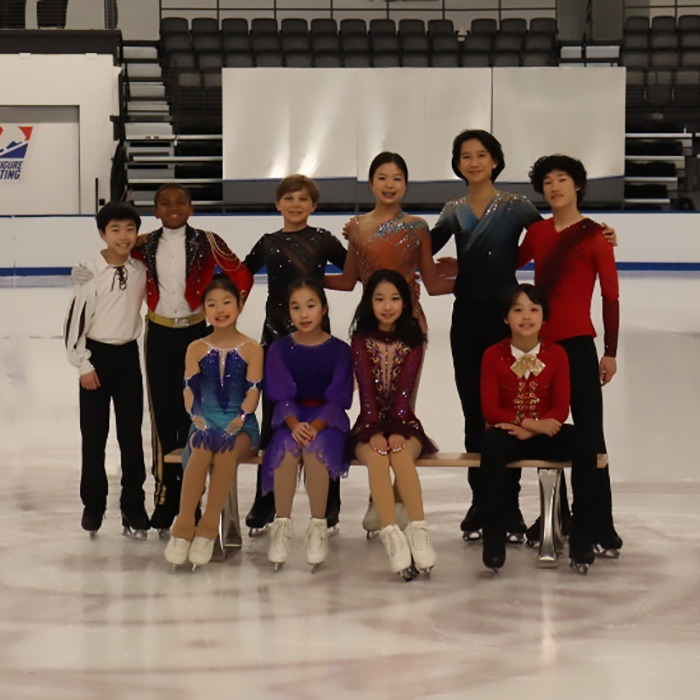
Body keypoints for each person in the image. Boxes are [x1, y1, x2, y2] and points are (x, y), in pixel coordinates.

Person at [430, 130, 615, 542]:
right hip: (466, 323)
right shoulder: (453, 209)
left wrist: (599, 234)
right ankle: (484, 503)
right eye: (465, 156)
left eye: (482, 155)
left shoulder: (517, 207)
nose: (474, 162)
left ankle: (511, 508)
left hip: (509, 324)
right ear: (457, 163)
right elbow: (422, 249)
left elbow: (556, 234)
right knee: (475, 415)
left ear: (495, 160)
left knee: (517, 410)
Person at [327, 152, 455, 535]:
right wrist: (306, 278)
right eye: (382, 177)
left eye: (397, 177)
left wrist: (483, 278)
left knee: (401, 413)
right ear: (371, 183)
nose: (389, 184)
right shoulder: (357, 228)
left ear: (406, 184)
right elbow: (349, 280)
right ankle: (376, 496)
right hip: (369, 327)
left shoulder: (417, 227)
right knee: (371, 409)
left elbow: (431, 283)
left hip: (410, 326)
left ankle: (397, 497)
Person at [134, 184, 254, 535]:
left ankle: (193, 491)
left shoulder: (209, 241)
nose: (173, 207)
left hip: (196, 334)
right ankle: (164, 495)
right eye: (165, 203)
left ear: (191, 207)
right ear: (155, 211)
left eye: (181, 201)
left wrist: (227, 317)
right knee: (162, 416)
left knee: (196, 412)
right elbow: (115, 258)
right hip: (158, 334)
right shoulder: (143, 244)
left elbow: (241, 277)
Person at [519, 154, 622, 556]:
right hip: (541, 349)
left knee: (591, 435)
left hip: (579, 345)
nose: (555, 187)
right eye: (547, 182)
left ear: (577, 186)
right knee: (550, 430)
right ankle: (554, 515)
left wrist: (610, 352)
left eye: (562, 179)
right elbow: (506, 262)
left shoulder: (596, 235)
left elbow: (611, 297)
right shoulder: (538, 233)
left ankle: (598, 522)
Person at [242, 175, 348, 535]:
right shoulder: (269, 243)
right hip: (276, 338)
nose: (296, 204)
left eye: (304, 199)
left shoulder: (323, 240)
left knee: (323, 413)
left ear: (313, 206)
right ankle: (266, 498)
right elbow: (240, 276)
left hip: (318, 339)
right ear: (278, 204)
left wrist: (320, 281)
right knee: (276, 418)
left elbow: (354, 271)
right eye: (289, 198)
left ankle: (329, 500)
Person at [479, 284, 598, 574]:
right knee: (491, 447)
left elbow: (560, 408)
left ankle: (582, 536)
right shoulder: (492, 355)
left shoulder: (556, 354)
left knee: (586, 443)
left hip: (545, 434)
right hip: (509, 432)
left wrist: (534, 430)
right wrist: (527, 424)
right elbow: (490, 409)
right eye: (517, 309)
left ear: (544, 317)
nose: (526, 316)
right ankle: (494, 539)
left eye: (534, 309)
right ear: (506, 318)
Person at [64, 202, 149, 539]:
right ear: (102, 233)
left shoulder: (141, 270)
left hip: (128, 358)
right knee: (94, 436)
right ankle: (93, 505)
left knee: (131, 437)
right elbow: (75, 322)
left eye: (130, 229)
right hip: (96, 358)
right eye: (115, 229)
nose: (123, 236)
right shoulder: (89, 271)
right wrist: (83, 363)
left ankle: (133, 506)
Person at [164, 276, 262, 568]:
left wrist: (236, 423)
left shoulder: (252, 347)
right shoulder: (196, 347)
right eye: (212, 304)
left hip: (241, 427)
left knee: (227, 450)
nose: (220, 309)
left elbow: (253, 392)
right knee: (202, 447)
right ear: (203, 309)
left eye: (226, 302)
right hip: (204, 422)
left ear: (239, 305)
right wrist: (201, 422)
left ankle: (207, 529)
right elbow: (189, 392)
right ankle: (183, 527)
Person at [348, 269, 438, 580]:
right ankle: (392, 534)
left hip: (404, 422)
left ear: (405, 302)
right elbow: (367, 394)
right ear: (369, 303)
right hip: (368, 424)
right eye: (380, 299)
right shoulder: (360, 340)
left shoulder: (413, 340)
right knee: (377, 458)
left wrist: (398, 429)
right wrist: (374, 431)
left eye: (395, 299)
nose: (388, 306)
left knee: (400, 454)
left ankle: (417, 530)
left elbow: (404, 392)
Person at [262, 278, 353, 571]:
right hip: (291, 419)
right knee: (286, 452)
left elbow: (339, 395)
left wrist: (316, 425)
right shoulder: (279, 349)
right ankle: (282, 526)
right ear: (289, 312)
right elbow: (278, 391)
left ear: (323, 309)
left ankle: (317, 527)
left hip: (327, 420)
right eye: (296, 307)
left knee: (315, 451)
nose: (303, 314)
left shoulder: (340, 350)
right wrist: (293, 422)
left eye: (310, 306)